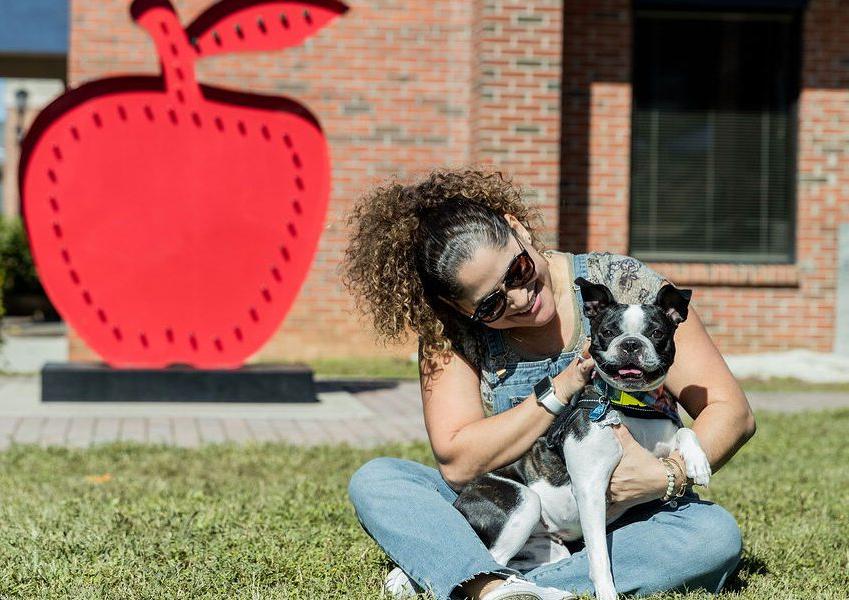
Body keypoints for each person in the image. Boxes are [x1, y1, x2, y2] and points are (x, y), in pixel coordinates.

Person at [342, 169, 755, 600]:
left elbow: (731, 410)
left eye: (518, 270)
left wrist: (664, 476)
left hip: (633, 517)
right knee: (380, 479)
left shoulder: (621, 283)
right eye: (491, 304)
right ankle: (493, 583)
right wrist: (559, 391)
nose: (520, 298)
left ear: (518, 230)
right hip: (510, 502)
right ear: (457, 308)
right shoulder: (450, 332)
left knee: (712, 536)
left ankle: (479, 579)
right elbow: (459, 462)